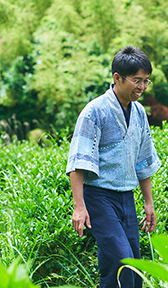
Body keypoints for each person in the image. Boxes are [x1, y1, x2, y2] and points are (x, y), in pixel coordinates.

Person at [66, 45, 161, 288]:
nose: (141, 87)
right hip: (99, 198)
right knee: (123, 262)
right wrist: (79, 207)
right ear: (117, 78)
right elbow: (78, 162)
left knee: (130, 272)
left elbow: (144, 160)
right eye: (137, 80)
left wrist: (148, 203)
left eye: (146, 81)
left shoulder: (139, 112)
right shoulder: (94, 111)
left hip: (126, 198)